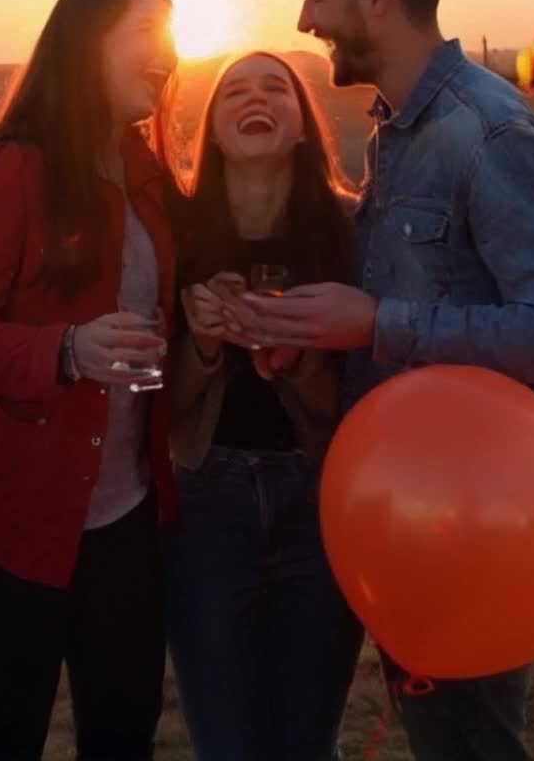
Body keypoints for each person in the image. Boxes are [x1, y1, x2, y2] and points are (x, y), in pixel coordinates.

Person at [225, 0, 534, 761]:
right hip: (411, 514)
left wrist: (378, 322)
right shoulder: (398, 133)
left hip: (482, 520)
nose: (304, 19)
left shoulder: (486, 133)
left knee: (471, 744)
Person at [0, 0, 178, 761]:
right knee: (6, 731)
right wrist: (67, 351)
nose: (166, 53)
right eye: (145, 33)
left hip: (125, 514)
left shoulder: (147, 173)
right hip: (5, 516)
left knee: (122, 730)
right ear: (85, 42)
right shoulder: (6, 169)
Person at [154, 51, 363, 761]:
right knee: (229, 746)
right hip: (205, 507)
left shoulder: (352, 232)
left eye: (278, 88)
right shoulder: (174, 236)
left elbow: (360, 412)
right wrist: (205, 346)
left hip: (322, 505)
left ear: (304, 127)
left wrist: (299, 363)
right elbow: (166, 414)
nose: (258, 98)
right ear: (211, 130)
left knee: (308, 742)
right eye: (235, 91)